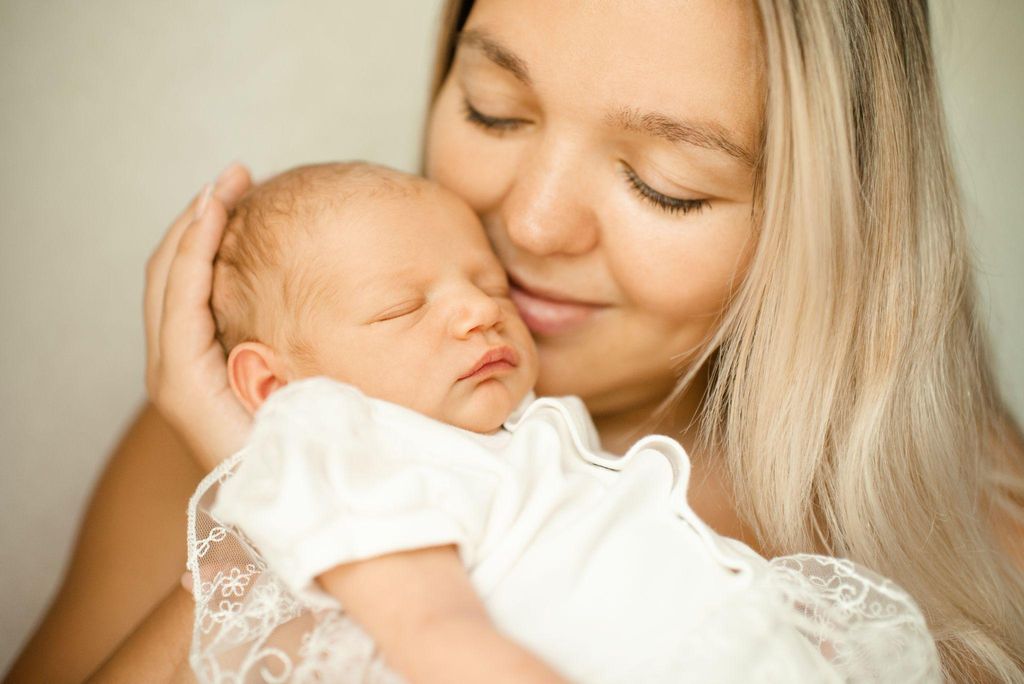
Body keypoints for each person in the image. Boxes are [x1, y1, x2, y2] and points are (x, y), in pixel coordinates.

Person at [7, 1, 1024, 682]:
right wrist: (278, 494)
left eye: (663, 182)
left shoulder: (984, 521)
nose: (530, 225)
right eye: (494, 113)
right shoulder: (224, 441)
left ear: (833, 221)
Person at [186, 160, 935, 682]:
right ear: (276, 384)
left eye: (488, 283)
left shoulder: (505, 439)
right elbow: (436, 637)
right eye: (402, 308)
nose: (481, 310)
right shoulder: (362, 457)